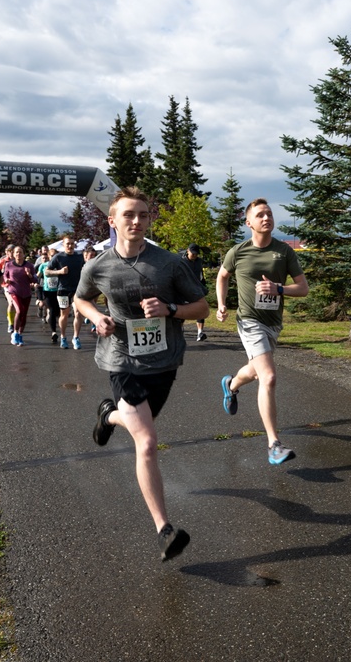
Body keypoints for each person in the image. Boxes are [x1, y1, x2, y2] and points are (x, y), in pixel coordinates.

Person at [74, 187, 209, 561]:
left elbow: (201, 309)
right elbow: (80, 298)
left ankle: (108, 414)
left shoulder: (169, 263)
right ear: (112, 220)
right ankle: (165, 529)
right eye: (129, 215)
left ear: (150, 220)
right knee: (147, 442)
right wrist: (96, 316)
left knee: (139, 427)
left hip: (164, 362)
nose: (136, 221)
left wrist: (169, 308)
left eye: (143, 215)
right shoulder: (97, 265)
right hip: (121, 360)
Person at [216, 198, 309, 465]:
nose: (266, 217)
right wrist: (222, 304)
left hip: (272, 323)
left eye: (269, 213)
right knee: (267, 377)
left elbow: (303, 289)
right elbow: (223, 276)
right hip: (249, 320)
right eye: (260, 215)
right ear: (249, 223)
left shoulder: (284, 252)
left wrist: (279, 289)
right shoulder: (238, 252)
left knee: (256, 370)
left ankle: (231, 385)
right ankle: (273, 444)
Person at [47, 235, 86, 349]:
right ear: (63, 245)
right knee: (64, 314)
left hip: (77, 289)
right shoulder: (58, 257)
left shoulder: (79, 256)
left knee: (78, 312)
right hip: (63, 289)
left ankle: (76, 337)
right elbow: (47, 271)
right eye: (68, 244)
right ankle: (63, 337)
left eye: (72, 243)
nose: (70, 246)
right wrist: (59, 271)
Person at [2, 246, 38, 346]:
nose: (18, 254)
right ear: (13, 254)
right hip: (14, 291)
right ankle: (15, 333)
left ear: (23, 254)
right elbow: (5, 275)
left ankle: (20, 334)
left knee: (24, 314)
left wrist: (29, 274)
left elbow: (35, 280)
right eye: (17, 252)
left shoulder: (29, 265)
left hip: (26, 292)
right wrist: (6, 280)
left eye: (20, 252)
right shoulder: (9, 264)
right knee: (19, 311)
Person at [182, 244, 209, 342]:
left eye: (196, 254)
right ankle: (180, 330)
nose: (194, 255)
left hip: (197, 289)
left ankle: (200, 333)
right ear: (188, 251)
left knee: (200, 310)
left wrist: (203, 286)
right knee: (183, 310)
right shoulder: (181, 261)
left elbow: (201, 274)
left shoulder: (199, 261)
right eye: (192, 253)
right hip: (183, 289)